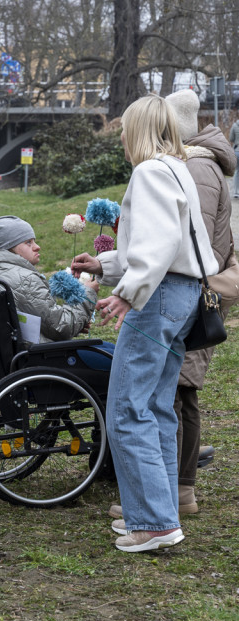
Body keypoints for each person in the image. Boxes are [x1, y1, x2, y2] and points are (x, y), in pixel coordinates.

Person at [71, 94, 217, 553]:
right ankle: (158, 509)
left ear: (137, 130)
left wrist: (127, 292)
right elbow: (170, 244)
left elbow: (157, 247)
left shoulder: (150, 171)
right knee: (155, 407)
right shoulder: (178, 168)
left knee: (127, 408)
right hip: (183, 294)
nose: (121, 140)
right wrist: (106, 264)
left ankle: (153, 521)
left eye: (124, 131)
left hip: (158, 297)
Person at [163, 90, 236, 516]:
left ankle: (178, 491)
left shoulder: (198, 167)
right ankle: (179, 489)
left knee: (179, 390)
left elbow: (197, 244)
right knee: (180, 389)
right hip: (192, 292)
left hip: (194, 294)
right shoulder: (194, 163)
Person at [0, 215, 98, 343]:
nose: (37, 247)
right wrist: (87, 294)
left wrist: (76, 325)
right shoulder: (26, 280)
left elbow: (29, 324)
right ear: (9, 247)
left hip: (12, 352)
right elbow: (61, 328)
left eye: (34, 241)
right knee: (109, 351)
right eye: (28, 242)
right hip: (41, 353)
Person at [229, 116, 239, 198]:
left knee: (236, 171)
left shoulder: (235, 125)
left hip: (237, 151)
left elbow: (231, 138)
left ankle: (236, 192)